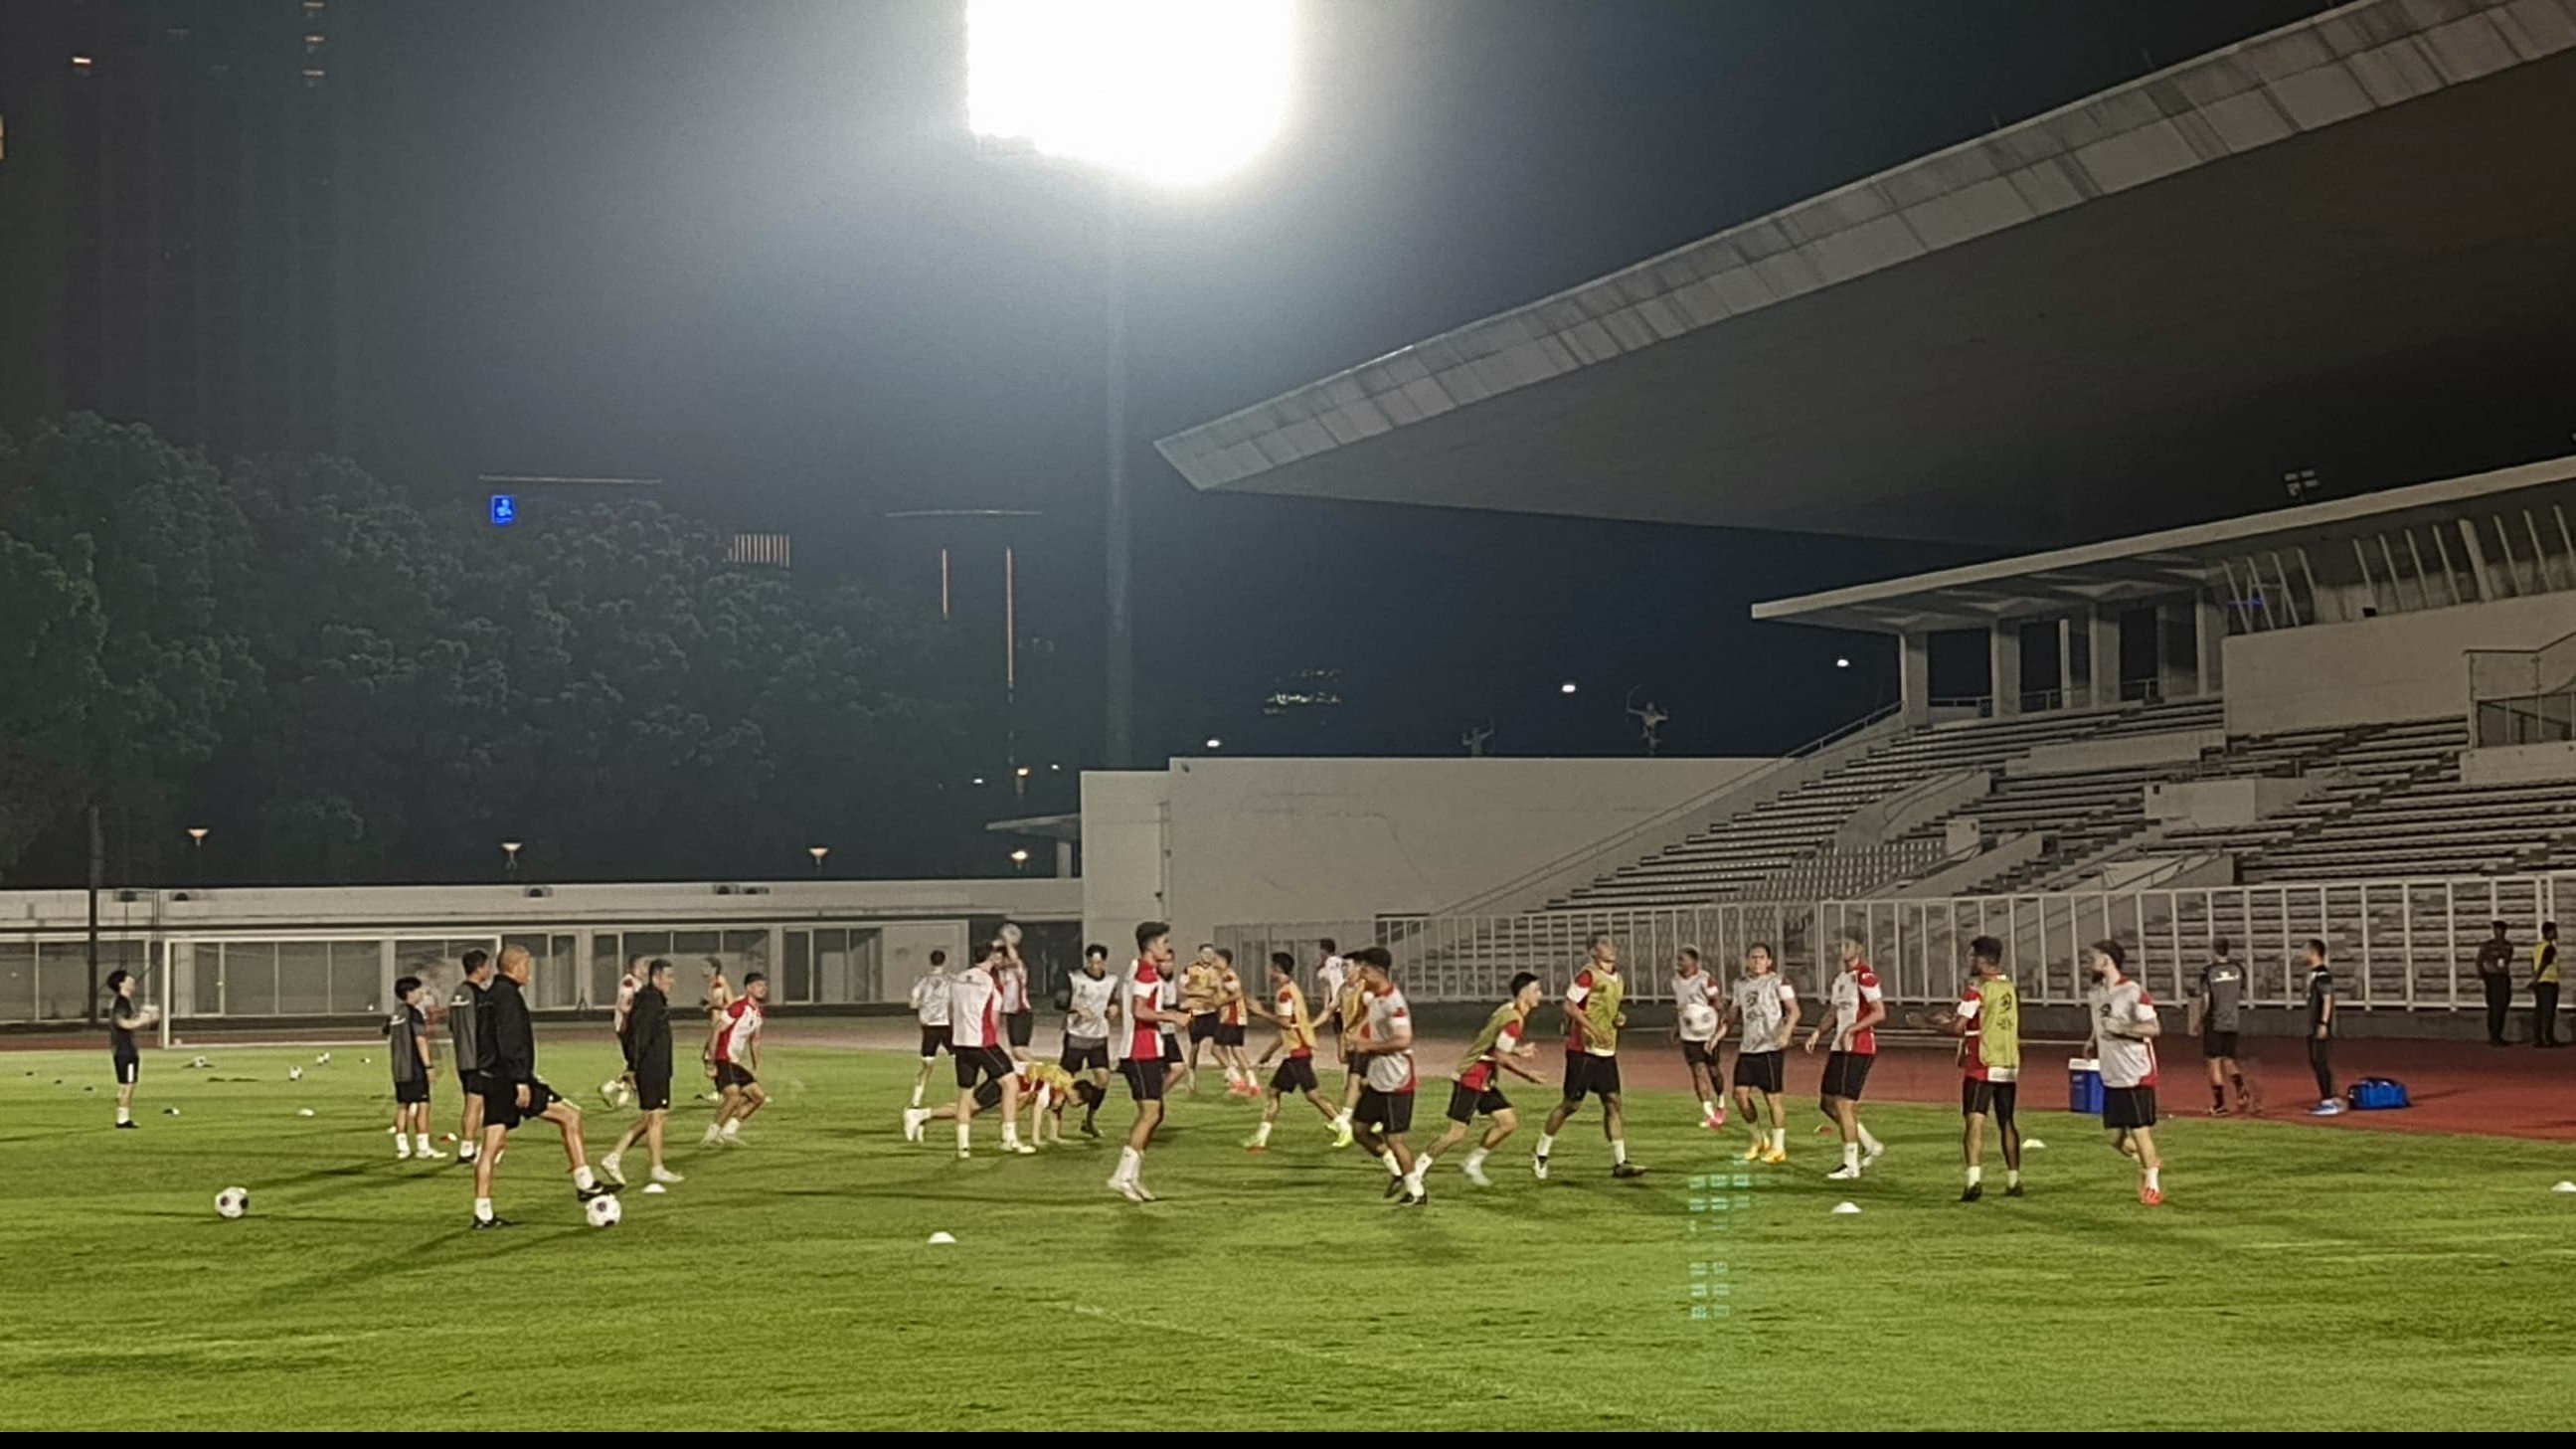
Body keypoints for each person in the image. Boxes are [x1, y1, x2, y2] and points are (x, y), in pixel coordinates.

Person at [472, 945, 611, 1228]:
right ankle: (585, 1182)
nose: (530, 975)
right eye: (527, 967)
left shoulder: (487, 998)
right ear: (515, 966)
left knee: (489, 1147)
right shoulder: (509, 997)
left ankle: (482, 1212)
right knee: (571, 1117)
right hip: (513, 1080)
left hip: (493, 1079)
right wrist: (521, 1080)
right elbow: (511, 1041)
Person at [1412, 972, 1544, 1189]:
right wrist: (1527, 1075)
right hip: (1472, 1076)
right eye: (1536, 990)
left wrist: (1518, 1051)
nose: (1540, 995)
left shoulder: (1507, 1010)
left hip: (1484, 1078)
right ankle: (1417, 1170)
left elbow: (1492, 1043)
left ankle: (1472, 1163)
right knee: (1456, 1133)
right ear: (1524, 993)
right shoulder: (1513, 1020)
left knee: (1507, 1123)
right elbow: (1501, 1056)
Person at [1535, 932, 1643, 1181]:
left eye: (1611, 943)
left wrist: (1617, 1018)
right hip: (1583, 1050)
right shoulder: (1588, 975)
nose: (1611, 948)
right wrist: (1593, 1029)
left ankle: (1620, 1161)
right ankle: (1541, 1152)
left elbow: (1609, 1009)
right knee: (1570, 1105)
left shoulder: (1618, 979)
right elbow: (1569, 1005)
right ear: (1594, 952)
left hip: (1606, 1050)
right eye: (1604, 945)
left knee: (1613, 1102)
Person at [905, 943, 1029, 1157]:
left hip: (960, 1043)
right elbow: (993, 1019)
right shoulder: (991, 982)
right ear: (991, 957)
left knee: (965, 1095)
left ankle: (963, 1147)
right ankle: (1009, 1138)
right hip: (983, 1042)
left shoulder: (958, 979)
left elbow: (951, 1011)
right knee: (1010, 1084)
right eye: (997, 955)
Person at [1928, 937, 2020, 1201]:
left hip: (1982, 1063)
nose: (1969, 962)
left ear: (1981, 960)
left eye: (1971, 957)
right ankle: (2014, 1180)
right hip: (2008, 1061)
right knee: (2007, 1122)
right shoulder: (2009, 988)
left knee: (1974, 1122)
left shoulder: (1976, 989)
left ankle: (1973, 1181)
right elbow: (1986, 1022)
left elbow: (1959, 1026)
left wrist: (1932, 1025)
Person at [1108, 921, 1190, 1202]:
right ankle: (1121, 1177)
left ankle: (1131, 1176)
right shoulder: (1145, 973)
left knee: (1154, 1115)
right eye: (1164, 941)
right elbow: (1139, 1010)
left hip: (1145, 1050)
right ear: (1152, 945)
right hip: (1141, 1052)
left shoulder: (1137, 968)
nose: (1167, 947)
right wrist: (1172, 1016)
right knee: (1150, 1114)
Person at [2082, 940, 2165, 1206]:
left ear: (2107, 961)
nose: (2089, 963)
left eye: (2093, 958)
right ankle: (2148, 1161)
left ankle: (2152, 1184)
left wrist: (2124, 1029)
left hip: (2135, 1072)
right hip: (2111, 1072)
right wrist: (2093, 1040)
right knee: (2115, 1139)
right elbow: (2101, 1020)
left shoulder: (2132, 992)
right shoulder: (2095, 993)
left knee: (2140, 1130)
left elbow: (2153, 1028)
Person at [1804, 931, 1886, 1181]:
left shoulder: (1865, 976)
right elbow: (1833, 1011)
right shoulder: (1841, 978)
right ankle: (1869, 1144)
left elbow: (1879, 1012)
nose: (1842, 948)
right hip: (1840, 1047)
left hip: (1858, 1048)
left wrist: (1853, 1029)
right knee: (1827, 1102)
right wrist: (1817, 1033)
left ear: (1859, 949)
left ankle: (1851, 1165)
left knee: (1843, 1104)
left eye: (1847, 944)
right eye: (1840, 944)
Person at [1346, 948, 1425, 1205]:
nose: (1360, 972)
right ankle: (1396, 1172)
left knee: (1394, 1138)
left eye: (1364, 968)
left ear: (1376, 971)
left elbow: (1404, 1039)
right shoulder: (1375, 998)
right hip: (1379, 1078)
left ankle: (1417, 1192)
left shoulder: (1394, 1003)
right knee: (1359, 1129)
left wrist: (1368, 1047)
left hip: (1396, 1079)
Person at [601, 959, 685, 1188]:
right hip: (651, 1068)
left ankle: (615, 1157)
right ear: (656, 977)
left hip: (656, 1067)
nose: (672, 982)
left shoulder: (654, 999)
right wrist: (633, 1068)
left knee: (655, 1117)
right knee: (655, 1117)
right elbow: (639, 1036)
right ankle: (656, 1168)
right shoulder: (649, 1001)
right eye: (668, 977)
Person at [1247, 951, 1339, 1151]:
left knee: (1312, 1095)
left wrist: (1260, 1012)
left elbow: (1285, 1024)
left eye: (1271, 968)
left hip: (1298, 1052)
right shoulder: (1290, 989)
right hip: (1295, 1050)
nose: (1269, 971)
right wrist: (1269, 1053)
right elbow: (1288, 1028)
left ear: (1277, 969)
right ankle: (1260, 1138)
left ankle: (1342, 1125)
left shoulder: (1285, 994)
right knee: (1274, 1092)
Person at [1727, 944, 1797, 1164]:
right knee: (1739, 1095)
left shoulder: (1778, 981)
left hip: (1770, 1047)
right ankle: (1758, 1139)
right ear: (1748, 960)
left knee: (1772, 1099)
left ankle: (1779, 1147)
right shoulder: (1740, 985)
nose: (1757, 961)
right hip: (1748, 1047)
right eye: (1753, 957)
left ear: (1769, 961)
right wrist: (1717, 1034)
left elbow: (1794, 1010)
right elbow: (1733, 1014)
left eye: (1761, 958)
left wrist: (1786, 1032)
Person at [2189, 937, 2255, 1115]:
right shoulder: (2238, 969)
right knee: (2228, 1059)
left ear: (2213, 950)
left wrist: (2200, 1020)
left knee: (2214, 1063)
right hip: (2232, 1020)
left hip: (2215, 1021)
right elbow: (2239, 992)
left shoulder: (2208, 972)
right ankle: (2241, 1089)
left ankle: (2220, 1104)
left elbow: (2206, 1000)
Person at [703, 971, 770, 1146]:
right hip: (723, 1059)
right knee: (733, 1097)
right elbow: (717, 1029)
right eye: (759, 985)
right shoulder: (738, 1007)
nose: (763, 989)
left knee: (758, 1097)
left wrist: (756, 1066)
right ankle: (711, 1135)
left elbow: (754, 1041)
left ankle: (728, 1131)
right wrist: (711, 1062)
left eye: (764, 985)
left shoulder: (758, 1013)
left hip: (734, 1062)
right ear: (749, 988)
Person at [1061, 944, 1119, 1138]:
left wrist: (1113, 1008)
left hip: (1098, 1037)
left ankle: (1089, 1120)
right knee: (1063, 1081)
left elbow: (1112, 1001)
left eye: (1099, 962)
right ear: (1087, 961)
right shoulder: (1075, 978)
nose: (1096, 966)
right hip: (1076, 1036)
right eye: (1092, 962)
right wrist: (1077, 1009)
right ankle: (1055, 1124)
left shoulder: (1111, 980)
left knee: (1103, 1079)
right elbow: (1060, 1002)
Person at [386, 975, 443, 1160]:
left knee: (403, 1106)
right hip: (414, 1067)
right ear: (410, 992)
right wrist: (428, 1066)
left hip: (399, 1068)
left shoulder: (396, 1014)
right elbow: (420, 1040)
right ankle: (423, 1147)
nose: (422, 993)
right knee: (423, 1105)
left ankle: (402, 1148)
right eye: (419, 989)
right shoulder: (413, 1013)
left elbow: (386, 1033)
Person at [449, 949, 497, 1166]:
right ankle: (468, 1149)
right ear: (479, 968)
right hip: (479, 1057)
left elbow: (452, 1026)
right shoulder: (479, 996)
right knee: (476, 1104)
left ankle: (469, 1147)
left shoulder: (457, 994)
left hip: (462, 1057)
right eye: (487, 966)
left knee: (471, 1102)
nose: (489, 970)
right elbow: (487, 1029)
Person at [1671, 945, 1727, 1131]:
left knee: (1713, 1070)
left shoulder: (1706, 980)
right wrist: (1676, 1026)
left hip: (1708, 1033)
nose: (1678, 963)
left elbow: (1718, 1004)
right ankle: (1709, 1114)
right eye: (1678, 959)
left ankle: (1721, 1101)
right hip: (1689, 1035)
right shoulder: (1676, 981)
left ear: (1694, 962)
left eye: (1682, 959)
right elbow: (1680, 1006)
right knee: (1698, 1070)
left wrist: (1717, 1028)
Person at [104, 969, 153, 1130]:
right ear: (122, 983)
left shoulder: (123, 1001)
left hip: (122, 1049)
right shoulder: (121, 1002)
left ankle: (122, 1114)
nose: (132, 979)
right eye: (128, 977)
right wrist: (144, 1020)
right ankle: (123, 1120)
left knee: (126, 1084)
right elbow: (122, 1023)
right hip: (126, 1050)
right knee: (129, 1084)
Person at [909, 950, 953, 1109]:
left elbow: (913, 1003)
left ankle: (916, 1100)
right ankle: (969, 1095)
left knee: (927, 1067)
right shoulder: (951, 980)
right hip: (946, 1026)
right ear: (944, 961)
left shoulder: (922, 981)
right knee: (962, 1061)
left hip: (929, 1028)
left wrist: (924, 1009)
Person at [2300, 940, 2340, 1114]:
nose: (2302, 954)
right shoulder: (2314, 974)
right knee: (2316, 1062)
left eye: (2305, 951)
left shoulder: (2323, 975)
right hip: (2313, 1025)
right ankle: (2329, 1096)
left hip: (2319, 1025)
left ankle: (2328, 1101)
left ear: (2314, 953)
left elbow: (2327, 999)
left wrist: (2323, 1023)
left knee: (2320, 1062)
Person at [1180, 943, 1222, 1093]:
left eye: (1210, 953)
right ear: (1199, 953)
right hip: (1196, 1013)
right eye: (1205, 953)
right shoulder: (1189, 969)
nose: (1207, 956)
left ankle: (1230, 1075)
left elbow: (1218, 991)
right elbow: (1183, 990)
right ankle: (1191, 1077)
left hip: (1211, 1012)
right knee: (1195, 1046)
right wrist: (1199, 995)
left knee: (1221, 1043)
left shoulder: (1216, 970)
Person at [610, 953, 648, 1096]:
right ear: (635, 967)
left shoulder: (637, 982)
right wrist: (628, 1024)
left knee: (636, 1061)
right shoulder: (629, 982)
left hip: (633, 1026)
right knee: (635, 1061)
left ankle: (625, 1090)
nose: (646, 969)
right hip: (627, 1026)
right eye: (643, 965)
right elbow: (624, 1005)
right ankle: (613, 1087)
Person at [995, 934, 1035, 1065]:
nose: (999, 961)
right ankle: (1032, 1078)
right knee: (1017, 1052)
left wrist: (1008, 942)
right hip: (1012, 1014)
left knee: (1018, 1051)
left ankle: (1043, 1073)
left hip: (1021, 1012)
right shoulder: (1002, 972)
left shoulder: (1018, 970)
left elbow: (1015, 958)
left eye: (1001, 958)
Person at [2476, 921, 2515, 1046]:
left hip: (2503, 976)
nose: (2499, 933)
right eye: (2497, 930)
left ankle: (2498, 1034)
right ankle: (2494, 1035)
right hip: (2492, 977)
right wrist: (2482, 974)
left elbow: (2507, 959)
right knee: (2494, 1007)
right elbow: (2480, 960)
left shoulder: (2508, 946)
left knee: (2503, 1005)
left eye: (2501, 930)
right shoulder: (2487, 945)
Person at [2532, 921, 2562, 1048]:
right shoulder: (2549, 948)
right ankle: (2548, 1038)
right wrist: (2536, 978)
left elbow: (2533, 963)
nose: (2556, 933)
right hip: (2548, 982)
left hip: (2540, 983)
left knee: (2539, 1011)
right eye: (2554, 931)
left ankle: (2538, 1038)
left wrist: (2535, 979)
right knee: (2548, 1012)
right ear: (2549, 933)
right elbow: (2544, 963)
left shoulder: (2537, 947)